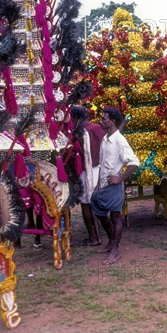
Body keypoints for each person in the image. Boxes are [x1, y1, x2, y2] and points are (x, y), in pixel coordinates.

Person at [91, 107, 139, 265]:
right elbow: (102, 163)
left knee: (115, 216)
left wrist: (120, 178)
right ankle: (111, 241)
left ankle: (115, 250)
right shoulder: (105, 139)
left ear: (112, 122)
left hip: (114, 186)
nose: (100, 121)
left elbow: (134, 162)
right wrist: (98, 183)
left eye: (104, 119)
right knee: (98, 209)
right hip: (103, 186)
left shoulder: (119, 140)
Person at [70, 105, 106, 246]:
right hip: (99, 169)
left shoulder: (78, 132)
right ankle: (98, 234)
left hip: (86, 172)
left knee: (86, 205)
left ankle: (93, 237)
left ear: (76, 118)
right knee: (95, 202)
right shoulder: (98, 128)